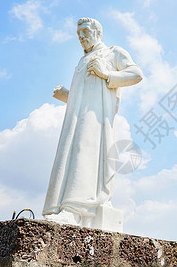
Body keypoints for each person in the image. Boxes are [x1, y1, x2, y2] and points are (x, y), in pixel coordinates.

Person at [43, 18, 143, 230]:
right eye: (78, 34)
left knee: (85, 153)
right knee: (68, 156)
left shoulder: (112, 53)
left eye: (85, 31)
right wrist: (67, 96)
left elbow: (136, 74)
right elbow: (85, 95)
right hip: (76, 118)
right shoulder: (81, 61)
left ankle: (76, 210)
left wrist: (107, 74)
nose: (81, 37)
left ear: (98, 32)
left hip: (97, 118)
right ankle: (60, 207)